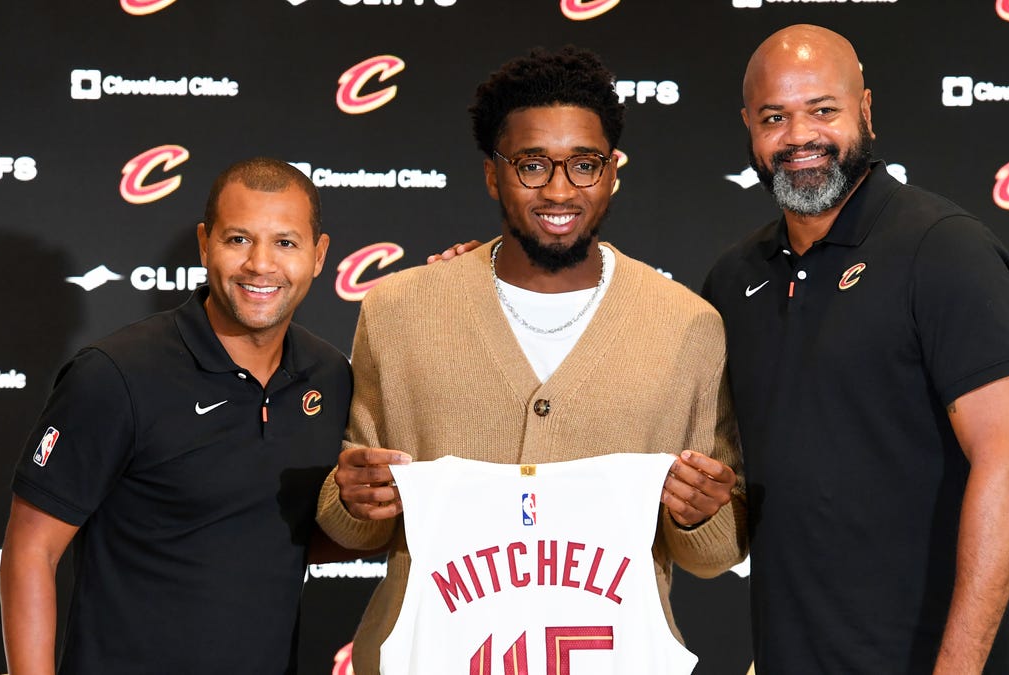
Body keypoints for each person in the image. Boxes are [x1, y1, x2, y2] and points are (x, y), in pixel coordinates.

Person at [315, 46, 747, 674]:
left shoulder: (688, 326)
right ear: (494, 174)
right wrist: (353, 501)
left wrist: (702, 515)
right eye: (532, 165)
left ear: (613, 171)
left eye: (584, 164)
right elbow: (359, 518)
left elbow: (718, 550)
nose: (560, 189)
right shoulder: (400, 310)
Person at [701, 25, 1009, 673]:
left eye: (822, 110)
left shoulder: (944, 248)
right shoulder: (732, 277)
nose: (799, 136)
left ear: (865, 111)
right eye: (775, 117)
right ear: (749, 125)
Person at [0, 157, 354, 674]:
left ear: (319, 255)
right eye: (238, 240)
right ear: (205, 243)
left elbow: (280, 538)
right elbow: (30, 549)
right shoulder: (116, 374)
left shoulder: (330, 376)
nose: (261, 264)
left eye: (285, 242)